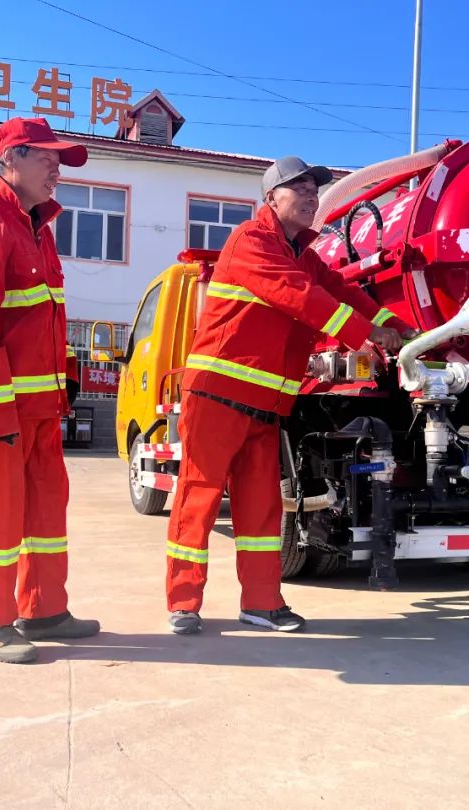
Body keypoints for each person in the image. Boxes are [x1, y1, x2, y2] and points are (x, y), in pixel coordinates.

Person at [165, 156, 417, 635]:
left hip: (264, 406)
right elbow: (299, 295)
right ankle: (183, 602)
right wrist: (363, 335)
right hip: (217, 397)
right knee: (197, 501)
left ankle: (261, 603)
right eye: (297, 187)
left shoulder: (305, 254)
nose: (310, 195)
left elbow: (342, 290)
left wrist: (395, 327)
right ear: (270, 199)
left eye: (314, 189)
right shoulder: (250, 242)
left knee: (262, 509)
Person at [0, 117, 99, 664]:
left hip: (41, 409)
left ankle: (45, 609)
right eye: (47, 157)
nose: (57, 168)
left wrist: (62, 393)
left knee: (44, 512)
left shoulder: (38, 229)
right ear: (10, 158)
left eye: (60, 160)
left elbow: (41, 327)